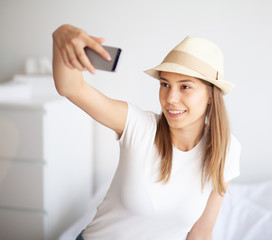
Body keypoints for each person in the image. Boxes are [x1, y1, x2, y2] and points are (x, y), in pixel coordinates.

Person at [52, 24, 241, 240]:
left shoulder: (227, 149)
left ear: (210, 95)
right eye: (165, 84)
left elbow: (201, 232)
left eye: (185, 86)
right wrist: (62, 34)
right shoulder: (138, 125)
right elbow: (71, 88)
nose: (170, 98)